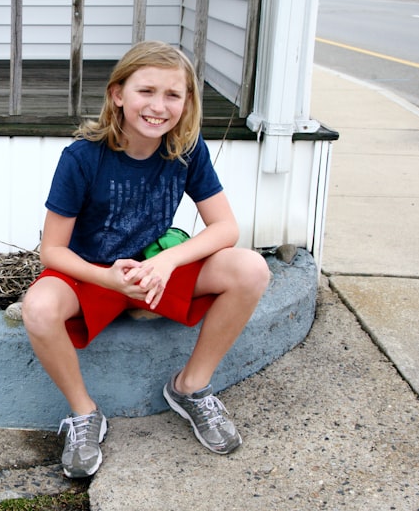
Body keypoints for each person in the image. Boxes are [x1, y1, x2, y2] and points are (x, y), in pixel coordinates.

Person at [21, 40, 271, 478]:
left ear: (187, 101)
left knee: (251, 268)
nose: (158, 106)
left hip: (156, 269)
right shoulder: (82, 157)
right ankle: (84, 415)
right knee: (39, 308)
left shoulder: (187, 150)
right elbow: (52, 250)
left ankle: (190, 387)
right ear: (118, 94)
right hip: (95, 274)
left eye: (173, 95)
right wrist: (108, 279)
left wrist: (168, 262)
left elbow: (225, 228)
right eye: (146, 91)